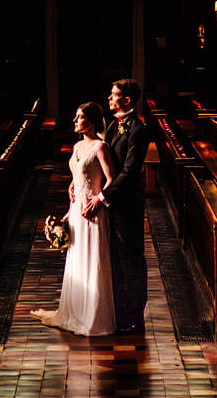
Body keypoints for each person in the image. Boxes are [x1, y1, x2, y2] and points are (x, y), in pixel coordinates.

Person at [31, 101, 116, 336]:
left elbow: (111, 179)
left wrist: (98, 200)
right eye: (76, 117)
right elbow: (79, 174)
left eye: (79, 117)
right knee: (77, 261)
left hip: (93, 211)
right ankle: (75, 311)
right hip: (77, 208)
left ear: (91, 122)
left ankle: (93, 317)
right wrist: (71, 188)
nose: (75, 121)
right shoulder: (77, 146)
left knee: (93, 261)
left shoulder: (101, 147)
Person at [88, 78, 149, 334]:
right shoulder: (114, 125)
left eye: (114, 95)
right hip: (112, 204)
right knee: (114, 258)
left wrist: (101, 196)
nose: (110, 98)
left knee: (130, 259)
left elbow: (129, 171)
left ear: (127, 100)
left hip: (127, 205)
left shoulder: (137, 129)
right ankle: (120, 312)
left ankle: (135, 315)